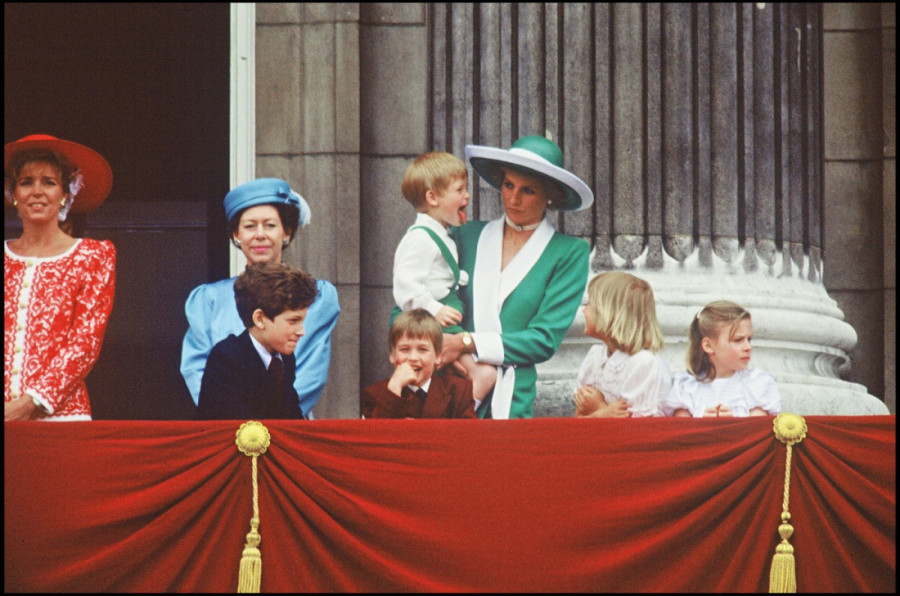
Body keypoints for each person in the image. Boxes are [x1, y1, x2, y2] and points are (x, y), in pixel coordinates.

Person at [440, 134, 593, 419]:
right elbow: (423, 299)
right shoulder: (465, 235)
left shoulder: (569, 253)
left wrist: (467, 342)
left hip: (510, 398)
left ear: (551, 195)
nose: (513, 198)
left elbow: (543, 339)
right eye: (508, 185)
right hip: (449, 382)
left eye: (528, 190)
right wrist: (451, 346)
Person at [181, 178, 340, 418]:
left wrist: (267, 430)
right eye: (249, 226)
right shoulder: (208, 299)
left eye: (270, 225)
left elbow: (308, 376)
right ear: (236, 234)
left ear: (286, 232)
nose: (260, 235)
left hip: (285, 429)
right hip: (226, 427)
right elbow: (198, 373)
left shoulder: (314, 296)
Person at [4, 134, 116, 421]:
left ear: (66, 193)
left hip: (62, 418)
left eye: (49, 182)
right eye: (26, 182)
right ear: (13, 193)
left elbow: (85, 343)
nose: (37, 191)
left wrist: (28, 404)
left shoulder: (93, 256)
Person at [391, 151, 496, 404]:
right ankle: (463, 413)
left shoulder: (439, 234)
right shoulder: (420, 239)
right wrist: (435, 310)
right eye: (459, 190)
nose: (467, 196)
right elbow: (406, 289)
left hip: (435, 318)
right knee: (484, 374)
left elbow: (437, 275)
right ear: (432, 197)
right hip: (426, 320)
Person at [198, 262, 318, 420]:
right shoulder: (227, 358)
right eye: (293, 321)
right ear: (260, 319)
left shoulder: (286, 359)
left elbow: (292, 418)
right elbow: (234, 425)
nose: (302, 331)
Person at [573, 272, 672, 418]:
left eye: (589, 304)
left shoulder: (643, 363)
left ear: (609, 313)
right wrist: (600, 413)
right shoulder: (596, 357)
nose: (584, 310)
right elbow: (578, 417)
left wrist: (600, 409)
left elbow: (637, 431)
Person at [663, 300, 781, 418]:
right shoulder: (687, 387)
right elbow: (681, 429)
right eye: (738, 340)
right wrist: (700, 423)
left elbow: (758, 428)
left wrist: (734, 423)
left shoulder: (756, 384)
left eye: (749, 339)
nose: (748, 347)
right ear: (708, 346)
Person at [362, 309, 476, 419]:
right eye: (405, 349)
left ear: (438, 356)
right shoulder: (375, 394)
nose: (413, 358)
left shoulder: (458, 391)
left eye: (422, 349)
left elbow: (468, 435)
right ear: (392, 356)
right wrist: (394, 389)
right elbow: (376, 434)